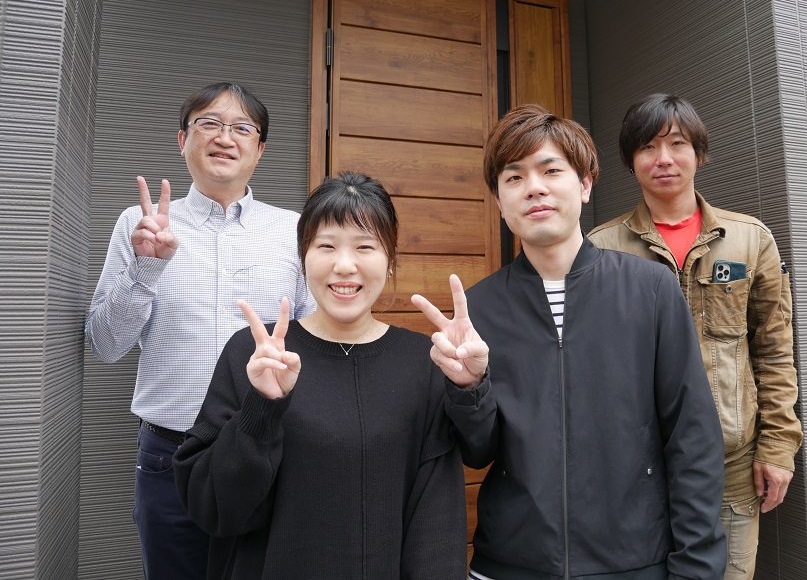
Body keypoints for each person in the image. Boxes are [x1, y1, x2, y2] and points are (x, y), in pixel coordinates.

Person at [412, 104, 727, 580]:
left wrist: (696, 568)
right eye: (514, 177)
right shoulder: (478, 310)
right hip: (512, 564)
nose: (534, 187)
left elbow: (693, 437)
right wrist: (469, 387)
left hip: (634, 561)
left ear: (585, 184)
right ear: (499, 201)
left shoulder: (650, 289)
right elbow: (478, 452)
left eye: (551, 170)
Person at [173, 172, 467, 579]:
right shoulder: (255, 356)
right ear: (303, 258)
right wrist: (261, 408)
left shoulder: (424, 363)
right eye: (326, 245)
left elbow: (437, 525)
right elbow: (212, 508)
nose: (344, 266)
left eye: (365, 246)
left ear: (390, 261)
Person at [85, 82, 314, 579]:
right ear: (182, 139)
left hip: (269, 447)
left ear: (260, 148)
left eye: (242, 128)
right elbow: (105, 344)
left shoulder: (295, 231)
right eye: (208, 123)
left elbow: (318, 340)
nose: (224, 137)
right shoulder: (139, 223)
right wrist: (146, 267)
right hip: (169, 453)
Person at [587, 94, 802, 580]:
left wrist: (778, 447)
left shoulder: (750, 239)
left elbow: (774, 351)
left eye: (677, 144)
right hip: (637, 467)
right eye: (647, 147)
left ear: (699, 154)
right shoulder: (600, 249)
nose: (663, 159)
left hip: (732, 463)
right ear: (630, 161)